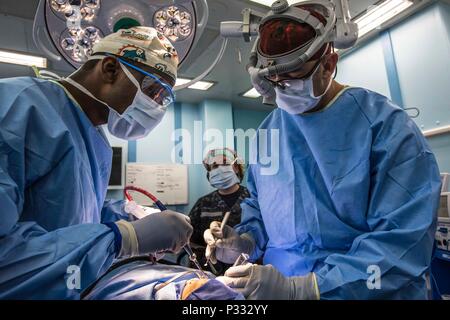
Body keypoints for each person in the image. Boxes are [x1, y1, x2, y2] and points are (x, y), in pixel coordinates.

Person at [204, 1, 441, 300]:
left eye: (292, 78)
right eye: (272, 80)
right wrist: (244, 242)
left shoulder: (383, 126)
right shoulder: (268, 133)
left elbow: (401, 244)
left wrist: (309, 289)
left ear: (329, 65)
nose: (281, 89)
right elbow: (262, 211)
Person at [0, 27, 193, 299]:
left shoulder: (96, 140)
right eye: (152, 90)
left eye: (164, 99)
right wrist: (121, 238)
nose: (156, 106)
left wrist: (127, 215)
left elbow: (71, 215)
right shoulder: (15, 107)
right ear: (111, 68)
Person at [187, 148, 249, 275]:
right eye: (214, 166)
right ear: (210, 173)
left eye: (225, 163)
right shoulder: (203, 203)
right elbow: (187, 237)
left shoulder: (253, 199)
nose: (219, 168)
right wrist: (206, 240)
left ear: (236, 168)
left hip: (247, 269)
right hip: (209, 271)